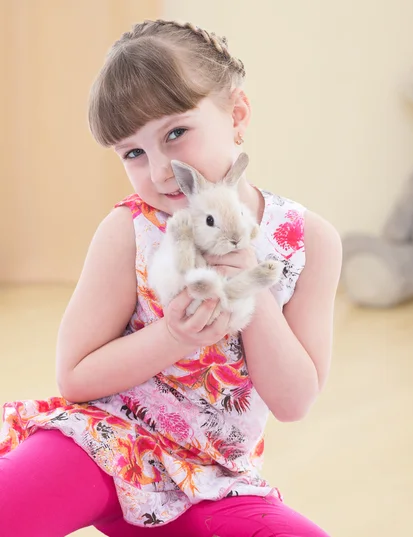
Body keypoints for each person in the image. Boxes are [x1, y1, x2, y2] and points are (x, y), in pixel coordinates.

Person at [0, 19, 342, 537]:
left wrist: (253, 288)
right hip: (102, 444)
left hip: (213, 481)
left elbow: (294, 401)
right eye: (133, 153)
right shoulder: (130, 230)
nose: (160, 171)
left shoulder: (308, 240)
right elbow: (75, 377)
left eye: (175, 133)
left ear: (237, 115)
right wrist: (173, 337)